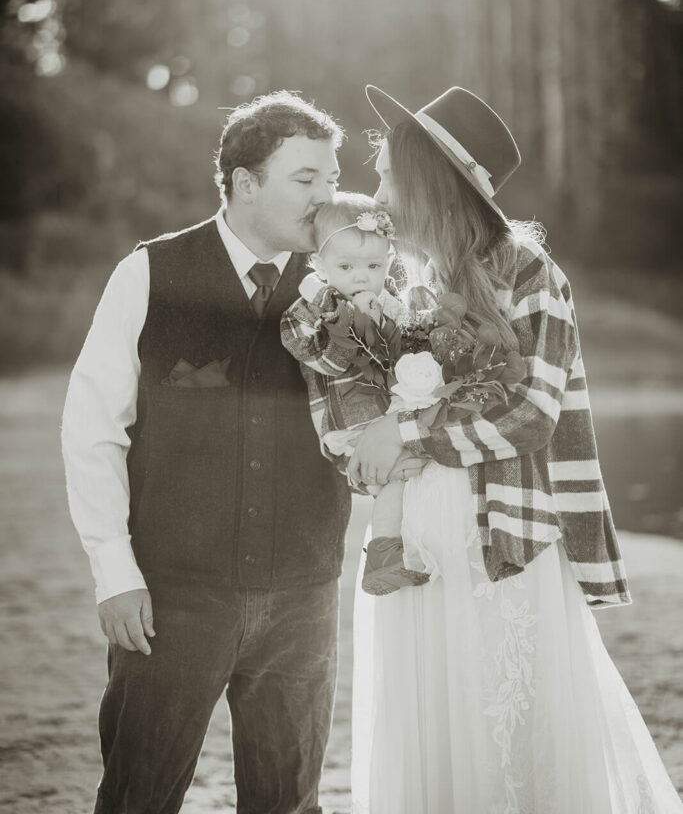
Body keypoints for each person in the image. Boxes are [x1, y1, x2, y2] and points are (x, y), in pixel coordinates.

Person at [348, 84, 683, 814]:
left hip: (500, 534)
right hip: (416, 529)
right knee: (429, 711)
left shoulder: (531, 275)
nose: (373, 187)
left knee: (501, 722)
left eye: (384, 173)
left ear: (427, 180)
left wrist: (403, 432)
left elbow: (532, 415)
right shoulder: (406, 286)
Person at [61, 90, 351, 814]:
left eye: (331, 179)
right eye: (306, 179)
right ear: (244, 182)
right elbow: (92, 427)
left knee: (288, 804)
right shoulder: (149, 274)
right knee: (138, 796)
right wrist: (114, 571)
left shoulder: (344, 286)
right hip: (170, 598)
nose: (326, 198)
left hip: (302, 598)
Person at [280, 192, 429, 595]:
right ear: (319, 265)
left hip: (387, 417)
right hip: (348, 423)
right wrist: (350, 323)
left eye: (374, 266)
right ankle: (383, 558)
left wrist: (403, 332)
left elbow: (411, 358)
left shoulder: (391, 304)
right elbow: (320, 360)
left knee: (415, 476)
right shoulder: (308, 311)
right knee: (397, 479)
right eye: (346, 266)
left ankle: (399, 556)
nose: (361, 277)